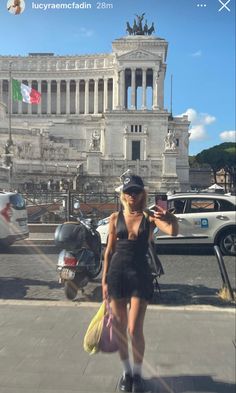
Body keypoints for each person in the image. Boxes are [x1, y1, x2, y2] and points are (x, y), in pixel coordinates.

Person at [102, 175, 178, 393]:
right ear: (123, 195)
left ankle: (137, 373)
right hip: (117, 274)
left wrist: (171, 218)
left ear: (142, 194)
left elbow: (173, 232)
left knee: (134, 328)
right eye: (128, 191)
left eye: (136, 191)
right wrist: (104, 280)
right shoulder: (115, 217)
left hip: (141, 274)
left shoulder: (150, 217)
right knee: (119, 329)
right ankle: (126, 373)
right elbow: (109, 251)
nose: (132, 195)